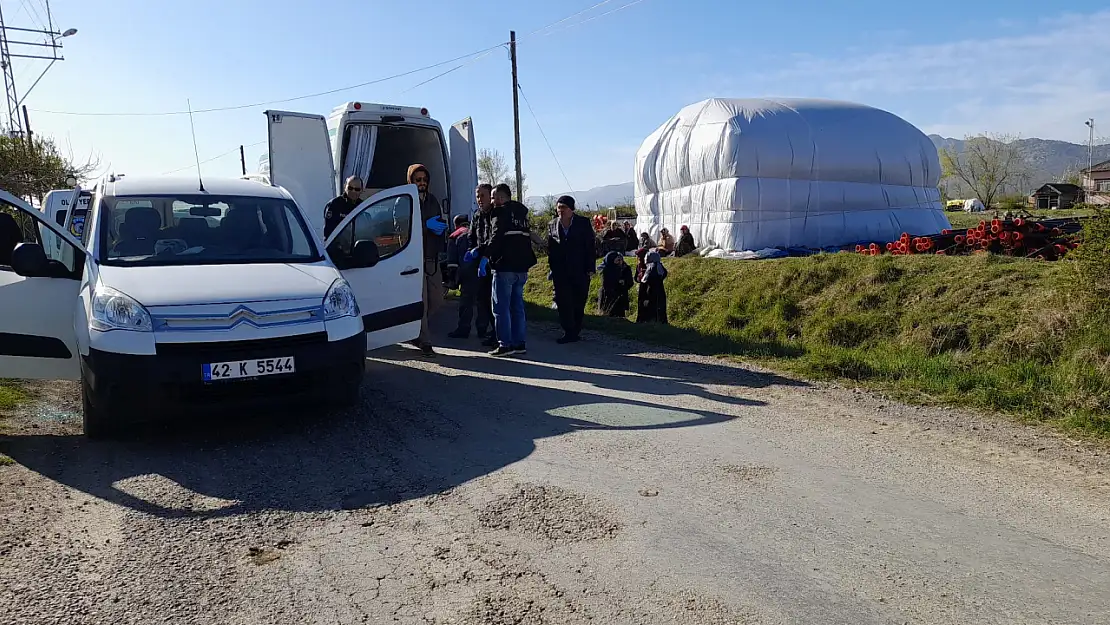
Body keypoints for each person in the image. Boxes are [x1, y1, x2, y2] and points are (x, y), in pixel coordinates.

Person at [487, 183, 537, 356]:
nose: (492, 201)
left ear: (501, 198)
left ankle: (504, 344)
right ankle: (519, 343)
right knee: (517, 307)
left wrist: (485, 256)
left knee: (501, 308)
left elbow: (496, 238)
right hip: (522, 268)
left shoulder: (500, 213)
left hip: (505, 266)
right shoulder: (522, 213)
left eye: (493, 197)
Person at [408, 163, 448, 357]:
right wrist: (425, 226)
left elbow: (438, 222)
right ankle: (425, 340)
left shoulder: (432, 200)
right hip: (413, 258)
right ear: (411, 181)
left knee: (437, 299)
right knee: (422, 301)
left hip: (431, 257)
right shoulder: (405, 201)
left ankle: (415, 328)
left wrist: (440, 229)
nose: (422, 183)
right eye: (418, 180)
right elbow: (403, 229)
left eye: (424, 180)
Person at [546, 195, 596, 344]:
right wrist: (552, 268)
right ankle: (568, 330)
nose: (560, 211)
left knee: (579, 301)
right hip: (560, 271)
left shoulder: (583, 223)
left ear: (571, 209)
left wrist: (590, 267)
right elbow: (551, 248)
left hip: (580, 269)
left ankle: (576, 330)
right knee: (563, 301)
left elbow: (590, 247)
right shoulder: (552, 224)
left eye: (564, 208)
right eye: (558, 208)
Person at [467, 183, 497, 345]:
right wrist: (471, 250)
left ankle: (498, 334)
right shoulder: (477, 215)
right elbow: (471, 235)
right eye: (477, 196)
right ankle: (487, 330)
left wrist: (481, 251)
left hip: (494, 262)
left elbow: (493, 239)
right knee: (483, 299)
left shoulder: (495, 215)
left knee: (495, 301)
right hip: (480, 264)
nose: (480, 199)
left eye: (483, 195)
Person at [636, 249, 669, 324]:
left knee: (650, 315)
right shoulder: (659, 267)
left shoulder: (651, 269)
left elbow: (650, 285)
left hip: (651, 296)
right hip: (659, 295)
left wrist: (647, 298)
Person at [598, 251, 634, 318]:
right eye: (617, 260)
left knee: (619, 315)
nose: (619, 262)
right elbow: (606, 284)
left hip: (620, 295)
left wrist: (624, 283)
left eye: (620, 260)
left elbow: (630, 282)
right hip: (609, 295)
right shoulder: (607, 269)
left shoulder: (625, 268)